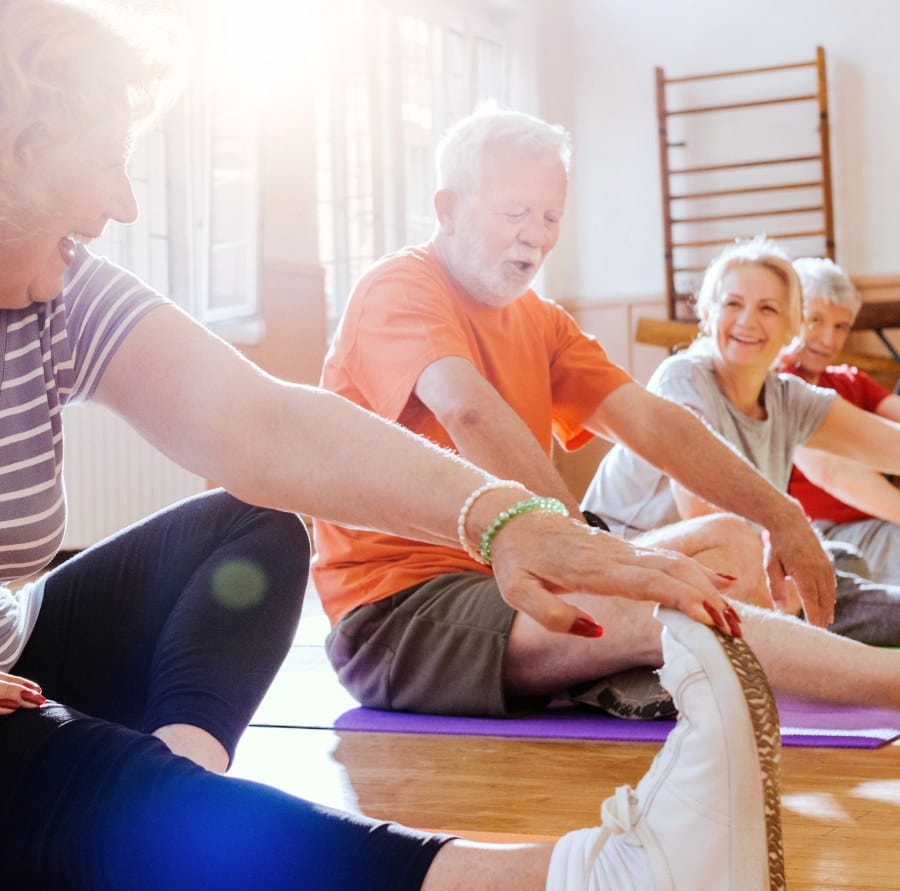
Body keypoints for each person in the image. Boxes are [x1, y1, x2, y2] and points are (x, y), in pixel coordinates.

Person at [0, 0, 789, 891]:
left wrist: (507, 518)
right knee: (103, 793)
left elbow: (266, 425)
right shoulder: (401, 291)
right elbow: (464, 408)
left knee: (249, 528)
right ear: (14, 147)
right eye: (107, 161)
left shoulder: (56, 292)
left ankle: (182, 785)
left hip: (14, 650)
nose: (127, 201)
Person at [314, 105, 900, 723]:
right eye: (514, 212)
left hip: (522, 581)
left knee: (732, 541)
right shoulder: (400, 287)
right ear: (449, 209)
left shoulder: (539, 320)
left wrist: (780, 514)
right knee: (663, 609)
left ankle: (621, 670)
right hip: (402, 612)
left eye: (550, 217)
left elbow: (652, 422)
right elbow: (469, 411)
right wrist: (588, 556)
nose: (535, 235)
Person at [584, 237, 900, 649]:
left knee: (843, 574)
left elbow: (889, 444)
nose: (747, 320)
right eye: (733, 304)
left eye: (767, 308)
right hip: (637, 575)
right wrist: (779, 574)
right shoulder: (682, 378)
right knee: (764, 567)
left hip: (732, 578)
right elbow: (709, 523)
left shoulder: (788, 398)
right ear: (708, 313)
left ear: (792, 326)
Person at [779, 256, 900, 584]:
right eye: (815, 320)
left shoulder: (850, 380)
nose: (828, 339)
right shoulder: (779, 384)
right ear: (791, 316)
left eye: (840, 326)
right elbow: (832, 472)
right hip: (820, 534)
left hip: (875, 525)